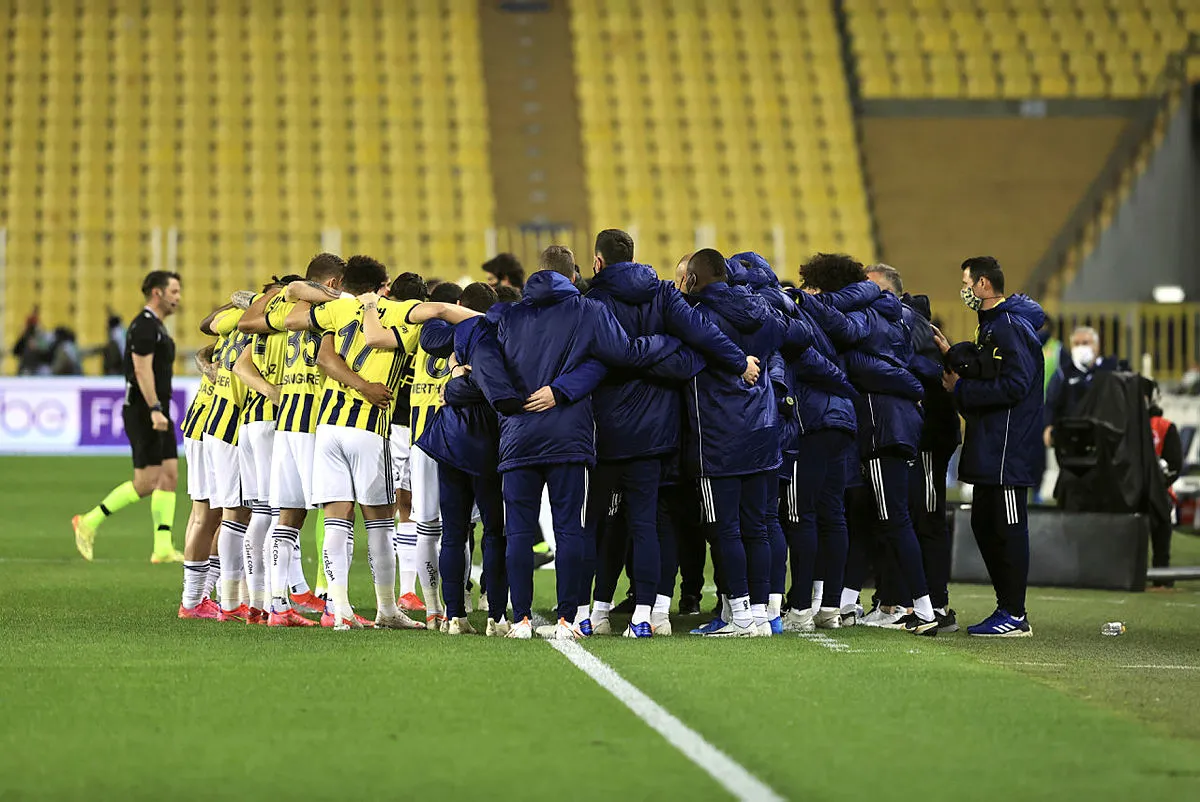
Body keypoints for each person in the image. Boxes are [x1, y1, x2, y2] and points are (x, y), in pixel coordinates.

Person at [470, 244, 683, 640]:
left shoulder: (508, 315)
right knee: (571, 530)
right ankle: (569, 619)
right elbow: (620, 355)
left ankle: (520, 621)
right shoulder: (589, 310)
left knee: (518, 531)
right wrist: (667, 342)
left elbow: (480, 355)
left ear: (538, 274)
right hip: (570, 437)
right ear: (574, 277)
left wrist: (509, 401)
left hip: (517, 434)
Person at [582, 230, 759, 638]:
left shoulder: (591, 302)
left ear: (597, 262)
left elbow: (611, 356)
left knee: (604, 525)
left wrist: (632, 356)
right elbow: (699, 342)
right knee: (647, 524)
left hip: (605, 432)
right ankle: (648, 615)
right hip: (656, 433)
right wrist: (735, 362)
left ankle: (594, 614)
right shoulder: (664, 294)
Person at [297, 255, 477, 630]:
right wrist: (487, 320)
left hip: (328, 426)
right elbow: (441, 308)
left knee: (335, 520)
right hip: (368, 425)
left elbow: (313, 342)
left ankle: (340, 609)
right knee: (380, 523)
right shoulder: (402, 311)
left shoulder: (338, 310)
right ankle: (386, 608)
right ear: (384, 286)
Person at [793, 255, 939, 636]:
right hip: (892, 424)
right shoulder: (893, 316)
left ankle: (922, 608)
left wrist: (806, 301)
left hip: (882, 427)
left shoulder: (869, 315)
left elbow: (847, 336)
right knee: (867, 518)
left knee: (893, 519)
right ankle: (847, 602)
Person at [681, 249, 813, 638]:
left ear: (693, 278)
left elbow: (685, 360)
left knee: (725, 530)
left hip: (718, 435)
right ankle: (759, 615)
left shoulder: (696, 318)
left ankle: (738, 614)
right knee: (757, 526)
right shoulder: (762, 313)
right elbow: (793, 336)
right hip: (762, 430)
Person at [237, 256, 348, 625]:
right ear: (332, 283)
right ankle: (336, 606)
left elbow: (247, 323)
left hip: (286, 421)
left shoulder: (286, 314)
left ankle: (278, 606)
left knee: (286, 517)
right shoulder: (329, 312)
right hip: (316, 422)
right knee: (339, 513)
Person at [940, 256, 1045, 637]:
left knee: (1010, 527)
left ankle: (1015, 614)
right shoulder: (993, 327)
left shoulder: (1009, 327)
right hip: (993, 445)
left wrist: (962, 390)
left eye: (966, 282)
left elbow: (1017, 384)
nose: (964, 290)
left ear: (984, 285)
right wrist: (953, 354)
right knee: (985, 523)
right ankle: (1007, 608)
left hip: (1009, 447)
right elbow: (992, 371)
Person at [867, 263, 961, 632]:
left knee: (928, 517)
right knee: (904, 516)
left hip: (929, 438)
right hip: (916, 435)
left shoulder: (913, 324)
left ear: (890, 291)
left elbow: (931, 375)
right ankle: (898, 601)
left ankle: (934, 603)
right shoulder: (905, 323)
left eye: (871, 289)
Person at [73, 271, 184, 564]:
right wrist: (154, 409)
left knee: (169, 476)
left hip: (158, 408)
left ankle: (162, 546)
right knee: (146, 482)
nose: (178, 297)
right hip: (144, 410)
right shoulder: (144, 326)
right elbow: (141, 370)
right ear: (157, 293)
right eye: (174, 291)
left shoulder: (157, 327)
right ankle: (89, 520)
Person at [416, 282, 507, 634]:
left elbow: (430, 336)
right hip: (490, 441)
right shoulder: (503, 332)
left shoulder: (458, 332)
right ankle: (497, 616)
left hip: (451, 439)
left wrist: (454, 377)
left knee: (453, 532)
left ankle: (454, 616)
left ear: (458, 306)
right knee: (495, 532)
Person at [406, 279, 466, 629]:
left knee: (426, 527)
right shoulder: (466, 332)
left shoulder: (414, 334)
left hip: (421, 440)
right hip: (456, 438)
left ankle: (432, 610)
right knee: (459, 527)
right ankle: (461, 601)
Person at [177, 302, 241, 619]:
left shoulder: (231, 328)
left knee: (206, 514)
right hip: (212, 426)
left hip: (201, 422)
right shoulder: (250, 327)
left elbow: (206, 330)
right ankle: (194, 599)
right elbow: (206, 327)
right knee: (213, 515)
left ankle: (199, 596)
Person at [382, 272, 430, 614]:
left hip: (390, 427)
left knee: (389, 508)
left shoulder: (386, 331)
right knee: (412, 508)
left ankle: (401, 591)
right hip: (415, 426)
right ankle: (409, 590)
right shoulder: (426, 331)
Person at [1043, 326, 1119, 449]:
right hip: (1070, 438)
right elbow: (1051, 402)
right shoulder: (1063, 373)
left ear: (1097, 346)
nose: (1081, 348)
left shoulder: (1110, 370)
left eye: (1085, 343)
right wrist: (1047, 426)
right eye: (1076, 344)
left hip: (1103, 438)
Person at [1147, 382, 1182, 577]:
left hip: (1153, 491)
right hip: (1150, 491)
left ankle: (1160, 573)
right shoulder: (1164, 426)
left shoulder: (1164, 426)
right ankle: (1161, 575)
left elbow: (1175, 464)